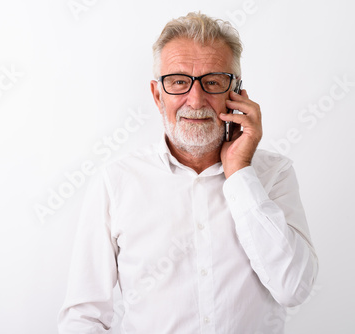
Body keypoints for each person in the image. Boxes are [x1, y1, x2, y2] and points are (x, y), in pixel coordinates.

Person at [58, 12, 318, 334]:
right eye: (179, 81)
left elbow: (293, 288)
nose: (195, 100)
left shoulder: (275, 175)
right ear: (157, 95)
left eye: (212, 82)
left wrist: (239, 173)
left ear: (235, 92)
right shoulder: (117, 182)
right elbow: (84, 318)